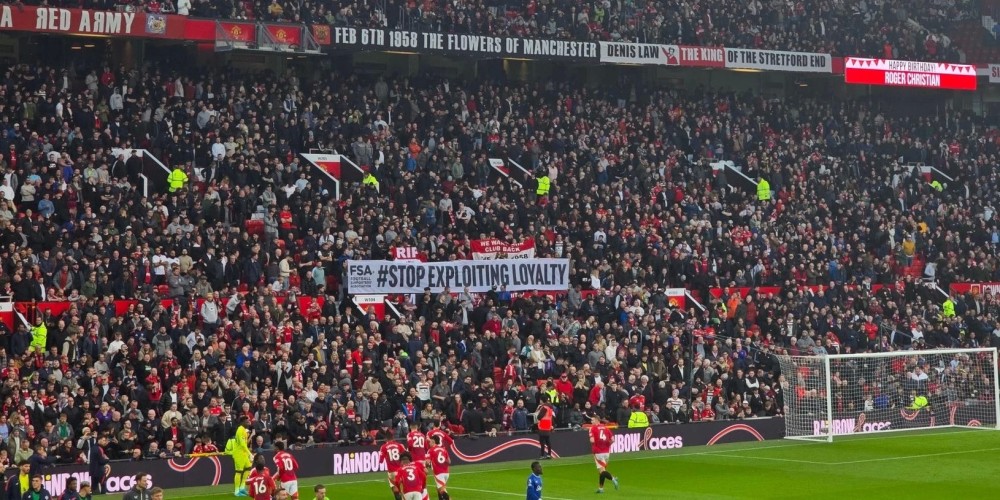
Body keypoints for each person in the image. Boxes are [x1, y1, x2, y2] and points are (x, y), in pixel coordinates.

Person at [588, 416, 619, 493]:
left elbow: (592, 440)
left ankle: (613, 478)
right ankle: (601, 488)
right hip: (607, 452)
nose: (591, 422)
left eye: (592, 420)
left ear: (597, 420)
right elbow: (612, 440)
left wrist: (593, 441)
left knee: (602, 471)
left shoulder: (592, 428)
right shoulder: (606, 428)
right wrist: (607, 445)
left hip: (598, 452)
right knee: (602, 471)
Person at [226, 416, 253, 496]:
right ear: (242, 422)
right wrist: (250, 453)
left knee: (248, 468)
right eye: (247, 422)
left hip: (243, 453)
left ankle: (242, 487)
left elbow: (245, 443)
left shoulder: (244, 430)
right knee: (239, 472)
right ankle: (237, 491)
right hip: (239, 454)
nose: (248, 423)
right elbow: (242, 444)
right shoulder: (240, 430)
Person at [428, 435, 451, 500]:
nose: (429, 443)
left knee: (442, 491)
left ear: (433, 442)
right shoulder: (443, 449)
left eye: (430, 442)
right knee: (438, 488)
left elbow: (428, 462)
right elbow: (449, 461)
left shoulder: (430, 450)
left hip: (438, 473)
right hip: (446, 472)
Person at [534, 394, 555, 459]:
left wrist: (537, 414)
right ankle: (549, 454)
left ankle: (542, 455)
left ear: (542, 400)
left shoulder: (544, 407)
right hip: (548, 424)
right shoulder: (550, 407)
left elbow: (539, 417)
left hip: (543, 424)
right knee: (548, 440)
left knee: (542, 441)